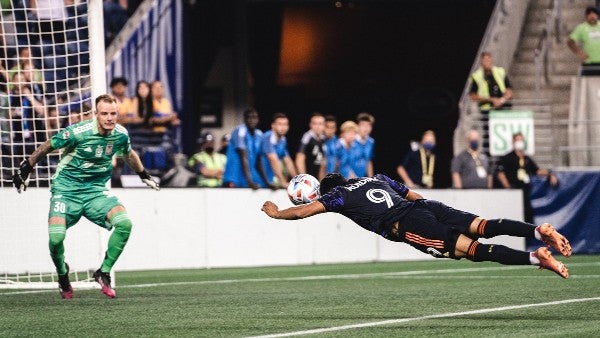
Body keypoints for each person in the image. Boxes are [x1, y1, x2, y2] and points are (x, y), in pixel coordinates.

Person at [261, 173, 571, 279]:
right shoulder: (376, 178)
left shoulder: (338, 197)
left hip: (407, 223)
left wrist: (277, 212)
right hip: (424, 206)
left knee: (471, 250)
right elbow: (414, 194)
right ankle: (534, 231)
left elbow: (305, 213)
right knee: (483, 225)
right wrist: (426, 214)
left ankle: (535, 257)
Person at [11, 94, 160, 299]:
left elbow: (128, 153)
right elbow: (48, 145)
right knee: (56, 239)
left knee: (125, 223)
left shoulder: (120, 134)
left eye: (113, 114)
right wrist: (27, 166)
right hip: (66, 190)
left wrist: (144, 174)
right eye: (105, 114)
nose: (109, 118)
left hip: (95, 192)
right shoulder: (77, 132)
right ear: (96, 115)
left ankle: (103, 272)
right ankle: (63, 274)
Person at [496, 132, 558, 224]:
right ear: (513, 142)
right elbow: (500, 173)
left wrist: (550, 173)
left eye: (521, 140)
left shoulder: (526, 158)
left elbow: (537, 171)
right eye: (517, 140)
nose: (519, 142)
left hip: (525, 191)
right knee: (514, 215)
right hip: (514, 191)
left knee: (527, 215)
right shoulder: (507, 158)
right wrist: (508, 187)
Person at [468, 51, 513, 150]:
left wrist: (501, 100)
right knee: (489, 136)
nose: (487, 62)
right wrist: (491, 99)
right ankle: (490, 159)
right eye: (484, 60)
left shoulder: (500, 72)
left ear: (491, 60)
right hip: (487, 110)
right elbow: (473, 95)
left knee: (505, 134)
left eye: (488, 60)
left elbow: (509, 90)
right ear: (481, 62)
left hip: (503, 108)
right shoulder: (477, 76)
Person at [222, 108, 272, 189]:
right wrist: (250, 182)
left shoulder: (259, 134)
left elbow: (258, 161)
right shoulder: (240, 130)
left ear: (258, 119)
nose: (252, 120)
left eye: (254, 117)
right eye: (249, 117)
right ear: (244, 119)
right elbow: (243, 156)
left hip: (247, 180)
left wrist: (267, 182)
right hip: (234, 178)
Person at [261, 112, 297, 188]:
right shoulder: (268, 137)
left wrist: (297, 181)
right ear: (273, 126)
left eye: (285, 124)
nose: (283, 127)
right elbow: (273, 159)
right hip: (260, 179)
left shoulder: (283, 139)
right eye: (280, 124)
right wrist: (283, 182)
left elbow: (288, 161)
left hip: (270, 180)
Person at [568, 6, 600, 75]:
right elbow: (570, 41)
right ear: (586, 16)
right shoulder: (581, 28)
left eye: (594, 15)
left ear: (597, 16)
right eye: (589, 15)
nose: (592, 17)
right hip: (589, 63)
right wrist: (579, 53)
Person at [295, 112, 326, 180]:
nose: (318, 127)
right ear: (310, 125)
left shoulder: (324, 139)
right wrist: (304, 178)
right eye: (315, 123)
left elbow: (323, 162)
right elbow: (300, 158)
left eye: (320, 124)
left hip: (317, 178)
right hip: (307, 177)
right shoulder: (307, 137)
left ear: (324, 125)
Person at [355, 112, 375, 177]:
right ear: (357, 126)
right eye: (363, 125)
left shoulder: (371, 142)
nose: (366, 128)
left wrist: (370, 179)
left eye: (369, 125)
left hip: (362, 179)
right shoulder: (351, 140)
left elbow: (369, 162)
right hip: (347, 179)